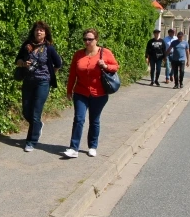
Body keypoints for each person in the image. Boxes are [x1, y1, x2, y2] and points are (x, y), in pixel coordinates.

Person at [63, 29, 119, 158]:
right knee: (79, 119)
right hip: (80, 92)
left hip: (99, 94)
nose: (87, 42)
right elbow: (72, 74)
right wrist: (69, 90)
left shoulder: (105, 53)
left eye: (90, 39)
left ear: (96, 40)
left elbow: (116, 67)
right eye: (85, 39)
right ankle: (73, 148)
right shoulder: (78, 54)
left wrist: (105, 66)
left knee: (94, 120)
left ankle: (92, 146)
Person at [15, 21, 63, 152]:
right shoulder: (27, 45)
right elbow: (17, 60)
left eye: (41, 30)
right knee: (26, 111)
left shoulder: (49, 48)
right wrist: (23, 63)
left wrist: (50, 74)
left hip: (43, 82)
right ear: (34, 32)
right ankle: (38, 125)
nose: (39, 32)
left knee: (36, 113)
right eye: (37, 29)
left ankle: (31, 141)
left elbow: (58, 64)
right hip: (28, 81)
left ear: (45, 33)